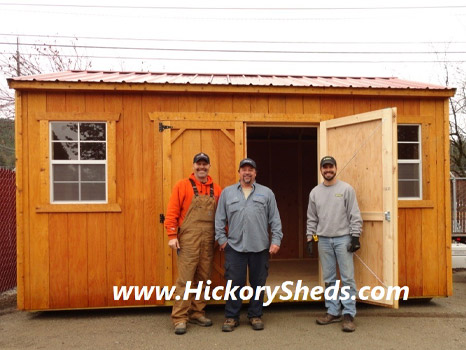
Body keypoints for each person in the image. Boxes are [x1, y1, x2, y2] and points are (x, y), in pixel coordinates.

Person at [215, 158, 283, 332]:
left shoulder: (267, 193)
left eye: (250, 170)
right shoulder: (228, 193)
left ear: (255, 173)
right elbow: (219, 218)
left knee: (258, 283)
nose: (247, 172)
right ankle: (231, 317)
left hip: (259, 247)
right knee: (234, 283)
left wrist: (276, 240)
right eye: (244, 169)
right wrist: (222, 239)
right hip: (234, 247)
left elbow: (275, 219)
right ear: (239, 172)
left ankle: (255, 315)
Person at [165, 152, 222, 335]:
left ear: (209, 167)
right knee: (186, 279)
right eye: (199, 164)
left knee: (204, 277)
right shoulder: (182, 186)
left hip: (209, 238)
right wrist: (172, 235)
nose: (202, 167)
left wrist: (223, 236)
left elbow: (222, 217)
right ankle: (180, 317)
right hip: (188, 238)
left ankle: (198, 312)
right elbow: (172, 212)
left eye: (205, 164)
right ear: (193, 166)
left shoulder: (217, 189)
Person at [306, 156, 362, 332]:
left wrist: (355, 237)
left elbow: (354, 214)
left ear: (336, 168)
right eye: (325, 167)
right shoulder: (315, 192)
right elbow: (312, 218)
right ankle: (333, 311)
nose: (328, 170)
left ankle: (348, 314)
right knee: (329, 278)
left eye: (331, 167)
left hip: (343, 238)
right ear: (321, 170)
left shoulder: (346, 189)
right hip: (323, 240)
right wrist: (311, 239)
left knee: (347, 278)